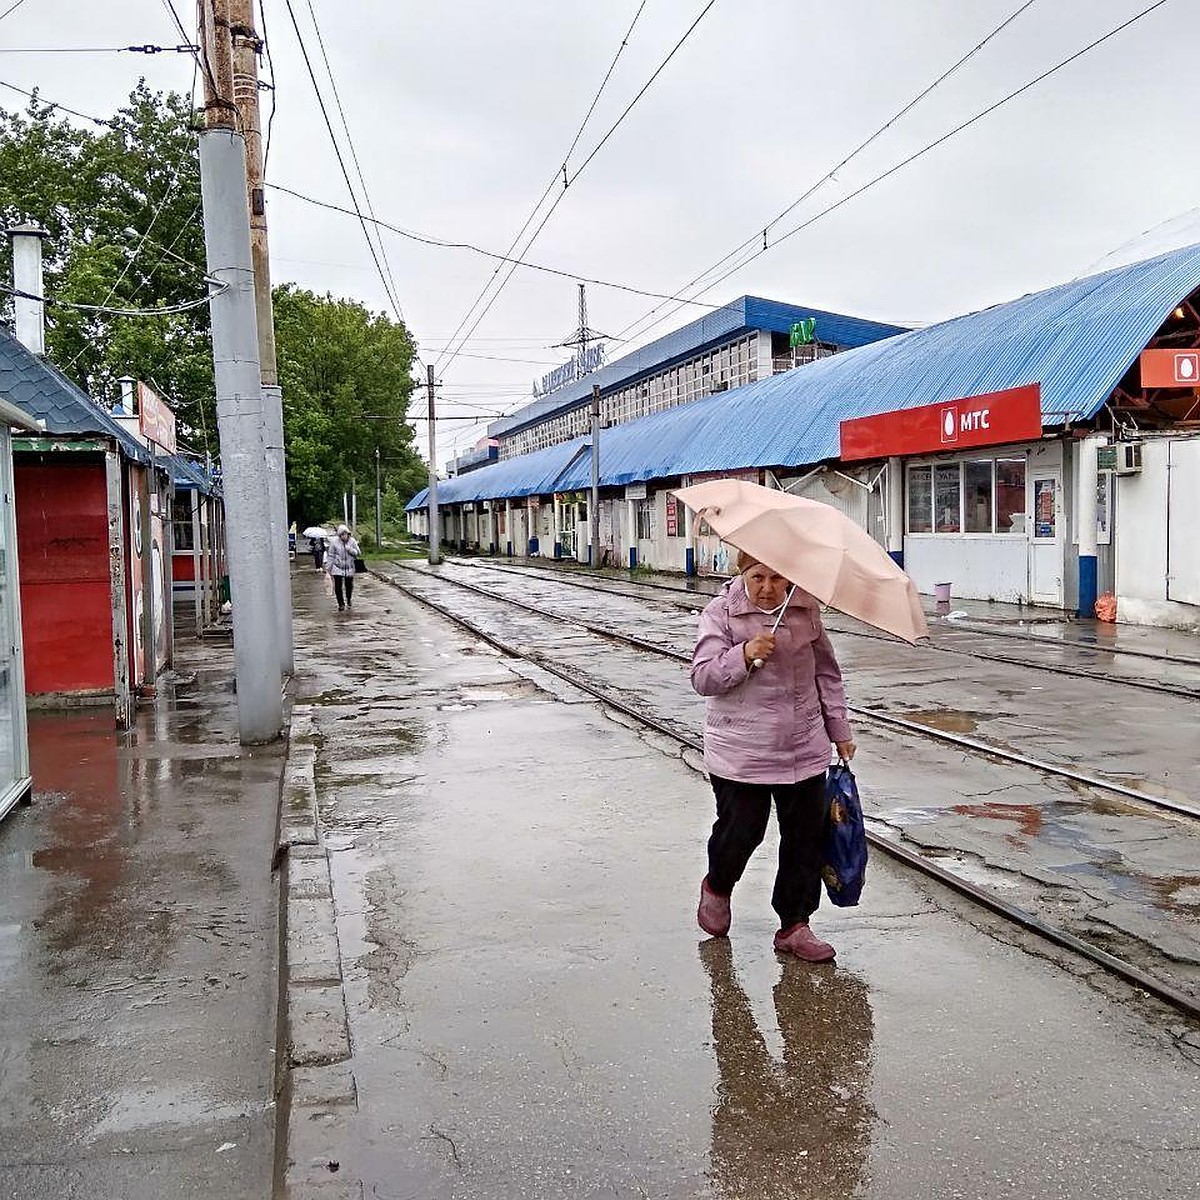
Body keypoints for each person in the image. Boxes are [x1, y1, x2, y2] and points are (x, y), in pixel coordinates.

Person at [691, 551, 855, 962]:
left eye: (778, 578)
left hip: (804, 747)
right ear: (743, 574)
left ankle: (795, 925)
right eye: (758, 577)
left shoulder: (806, 612)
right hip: (742, 753)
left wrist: (839, 730)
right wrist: (743, 655)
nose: (768, 588)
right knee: (742, 831)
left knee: (805, 839)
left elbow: (827, 676)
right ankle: (717, 885)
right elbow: (703, 677)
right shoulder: (721, 613)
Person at [324, 525, 360, 611]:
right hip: (337, 567)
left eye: (345, 534)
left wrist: (350, 549)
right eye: (341, 534)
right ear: (339, 535)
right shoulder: (334, 542)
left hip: (349, 567)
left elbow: (358, 553)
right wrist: (328, 568)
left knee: (349, 586)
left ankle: (349, 599)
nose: (344, 536)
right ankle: (341, 603)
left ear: (348, 534)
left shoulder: (352, 541)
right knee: (338, 586)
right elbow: (331, 555)